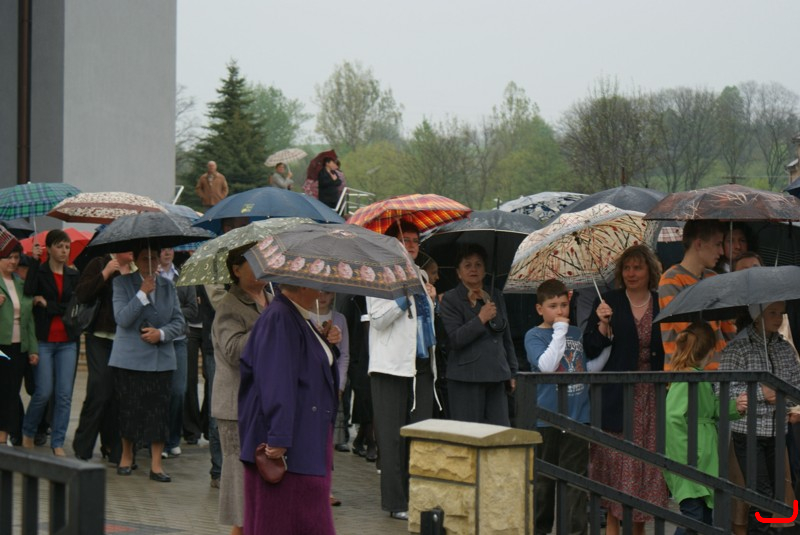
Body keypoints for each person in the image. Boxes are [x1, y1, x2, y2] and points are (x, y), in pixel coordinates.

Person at [238, 284, 341, 535]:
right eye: (316, 283)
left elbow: (307, 365)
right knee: (284, 521)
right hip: (290, 449)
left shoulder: (297, 316)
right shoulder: (280, 317)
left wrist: (326, 342)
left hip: (306, 441)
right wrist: (279, 437)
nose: (321, 290)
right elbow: (276, 380)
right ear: (301, 285)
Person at [583, 244, 669, 535]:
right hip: (617, 397)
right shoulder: (608, 301)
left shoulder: (661, 301)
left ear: (649, 271)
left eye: (637, 268)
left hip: (653, 398)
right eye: (627, 268)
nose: (631, 273)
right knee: (617, 470)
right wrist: (602, 324)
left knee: (646, 469)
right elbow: (589, 347)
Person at [367, 220, 438, 521]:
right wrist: (403, 295)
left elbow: (424, 322)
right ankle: (395, 501)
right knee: (392, 437)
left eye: (415, 241)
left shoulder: (421, 275)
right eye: (404, 240)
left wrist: (431, 299)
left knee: (420, 433)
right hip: (390, 366)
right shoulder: (379, 274)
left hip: (420, 365)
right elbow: (378, 319)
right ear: (392, 244)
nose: (411, 246)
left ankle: (417, 497)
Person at [525, 279, 606, 535]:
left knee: (576, 481)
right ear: (540, 309)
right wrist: (560, 331)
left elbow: (587, 366)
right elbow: (546, 366)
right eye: (552, 306)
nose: (559, 311)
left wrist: (607, 333)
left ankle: (575, 531)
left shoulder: (576, 333)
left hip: (577, 415)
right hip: (546, 418)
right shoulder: (534, 335)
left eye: (563, 305)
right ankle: (540, 529)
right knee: (544, 482)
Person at [721, 301, 800, 535]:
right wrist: (761, 393)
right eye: (772, 313)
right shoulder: (738, 348)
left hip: (778, 433)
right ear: (757, 316)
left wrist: (787, 401)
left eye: (781, 313)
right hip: (748, 433)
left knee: (774, 494)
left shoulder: (784, 349)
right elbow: (723, 390)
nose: (778, 318)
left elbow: (796, 385)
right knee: (760, 494)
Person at [109, 245, 185, 482]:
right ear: (136, 260)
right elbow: (122, 318)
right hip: (129, 359)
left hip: (160, 359)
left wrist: (161, 334)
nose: (150, 263)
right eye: (144, 258)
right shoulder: (121, 283)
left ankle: (156, 465)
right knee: (129, 409)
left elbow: (179, 321)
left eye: (153, 258)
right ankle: (126, 456)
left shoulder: (168, 286)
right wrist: (141, 294)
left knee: (159, 412)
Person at [665, 322, 748, 535]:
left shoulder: (696, 377)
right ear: (711, 351)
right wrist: (685, 458)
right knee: (694, 518)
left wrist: (735, 407)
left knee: (701, 517)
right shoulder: (687, 378)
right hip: (691, 462)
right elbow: (673, 418)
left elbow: (710, 408)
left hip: (702, 460)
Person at [212, 245, 268, 535]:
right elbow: (234, 351)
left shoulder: (272, 299)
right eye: (253, 262)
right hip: (236, 405)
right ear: (236, 270)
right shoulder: (229, 305)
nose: (262, 267)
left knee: (261, 481)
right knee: (240, 480)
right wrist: (265, 325)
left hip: (266, 402)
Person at [439, 244, 517, 425]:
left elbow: (506, 337)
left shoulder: (495, 295)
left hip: (497, 375)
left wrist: (512, 372)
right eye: (467, 265)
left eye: (478, 264)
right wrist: (480, 318)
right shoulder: (451, 299)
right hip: (466, 378)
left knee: (500, 432)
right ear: (458, 272)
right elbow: (454, 339)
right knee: (469, 434)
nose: (473, 269)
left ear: (485, 269)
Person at [21, 230, 80, 456]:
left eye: (67, 247)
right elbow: (29, 292)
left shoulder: (73, 275)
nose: (64, 251)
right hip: (44, 341)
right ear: (49, 248)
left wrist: (49, 305)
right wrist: (34, 262)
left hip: (68, 341)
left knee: (64, 395)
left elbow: (74, 307)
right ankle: (28, 430)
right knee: (43, 392)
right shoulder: (40, 271)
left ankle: (58, 441)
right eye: (59, 246)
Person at [72, 251, 135, 463]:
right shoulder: (99, 262)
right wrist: (105, 273)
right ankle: (82, 446)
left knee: (118, 395)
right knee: (99, 390)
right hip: (99, 337)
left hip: (125, 340)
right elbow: (82, 294)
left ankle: (114, 448)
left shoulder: (137, 270)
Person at [658, 219, 735, 369]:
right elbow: (690, 333)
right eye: (717, 244)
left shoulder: (713, 278)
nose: (721, 251)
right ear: (698, 244)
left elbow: (729, 331)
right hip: (686, 374)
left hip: (720, 373)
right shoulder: (671, 280)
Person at [157, 247, 197, 458]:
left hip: (180, 340)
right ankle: (160, 441)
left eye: (170, 249)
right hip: (158, 341)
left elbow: (193, 309)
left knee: (179, 391)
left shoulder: (183, 276)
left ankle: (173, 437)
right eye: (163, 249)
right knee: (160, 393)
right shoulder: (152, 276)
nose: (167, 252)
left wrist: (172, 312)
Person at [0, 243, 37, 446]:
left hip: (18, 346)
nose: (13, 261)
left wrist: (33, 349)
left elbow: (29, 319)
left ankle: (3, 436)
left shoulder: (21, 284)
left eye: (16, 257)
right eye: (9, 257)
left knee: (11, 392)